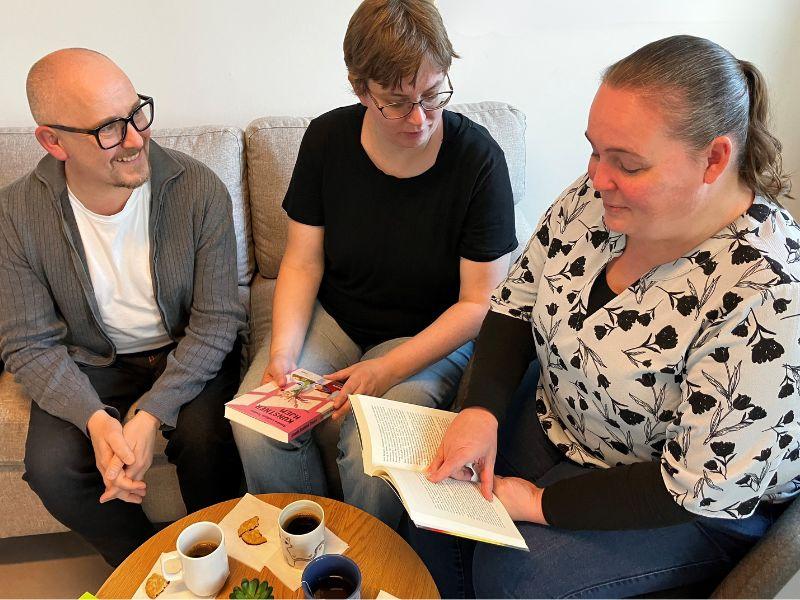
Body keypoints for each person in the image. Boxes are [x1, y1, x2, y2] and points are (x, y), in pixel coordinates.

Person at [421, 35, 800, 598]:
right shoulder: (595, 198)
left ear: (715, 159)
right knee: (433, 509)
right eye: (595, 151)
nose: (598, 178)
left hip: (679, 493)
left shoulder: (767, 294)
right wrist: (480, 410)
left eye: (627, 163)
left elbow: (697, 483)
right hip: (569, 415)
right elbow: (517, 301)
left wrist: (541, 503)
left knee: (514, 578)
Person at [232, 0, 517, 528]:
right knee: (258, 424)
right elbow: (302, 262)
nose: (420, 118)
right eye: (397, 102)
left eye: (433, 95)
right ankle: (307, 552)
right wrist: (283, 354)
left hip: (427, 335)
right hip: (337, 320)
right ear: (361, 89)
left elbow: (479, 303)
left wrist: (386, 370)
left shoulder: (478, 160)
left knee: (370, 453)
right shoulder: (327, 140)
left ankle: (366, 559)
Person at [0, 48, 246, 566]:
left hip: (186, 349)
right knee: (51, 469)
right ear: (53, 142)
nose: (136, 138)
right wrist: (95, 419)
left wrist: (152, 413)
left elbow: (218, 319)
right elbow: (28, 342)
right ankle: (149, 567)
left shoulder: (198, 188)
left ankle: (222, 562)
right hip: (94, 361)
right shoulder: (16, 214)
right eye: (108, 129)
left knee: (207, 440)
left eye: (136, 113)